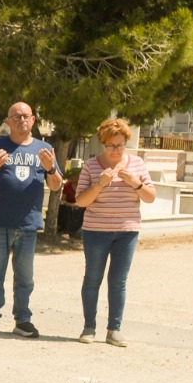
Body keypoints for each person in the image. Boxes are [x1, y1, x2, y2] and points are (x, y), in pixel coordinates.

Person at [0, 101, 63, 337]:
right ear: (8, 122)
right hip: (0, 221)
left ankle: (22, 320)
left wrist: (51, 169)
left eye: (26, 116)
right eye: (16, 117)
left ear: (33, 120)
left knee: (25, 277)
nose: (21, 120)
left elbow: (56, 186)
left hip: (28, 224)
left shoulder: (44, 149)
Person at [73, 117, 154, 346]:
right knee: (92, 278)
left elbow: (150, 197)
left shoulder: (137, 164)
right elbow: (81, 201)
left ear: (126, 142)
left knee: (118, 281)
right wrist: (100, 184)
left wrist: (136, 184)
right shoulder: (91, 166)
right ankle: (89, 327)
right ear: (103, 144)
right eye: (110, 146)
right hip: (96, 231)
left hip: (126, 232)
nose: (115, 150)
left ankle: (114, 329)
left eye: (119, 145)